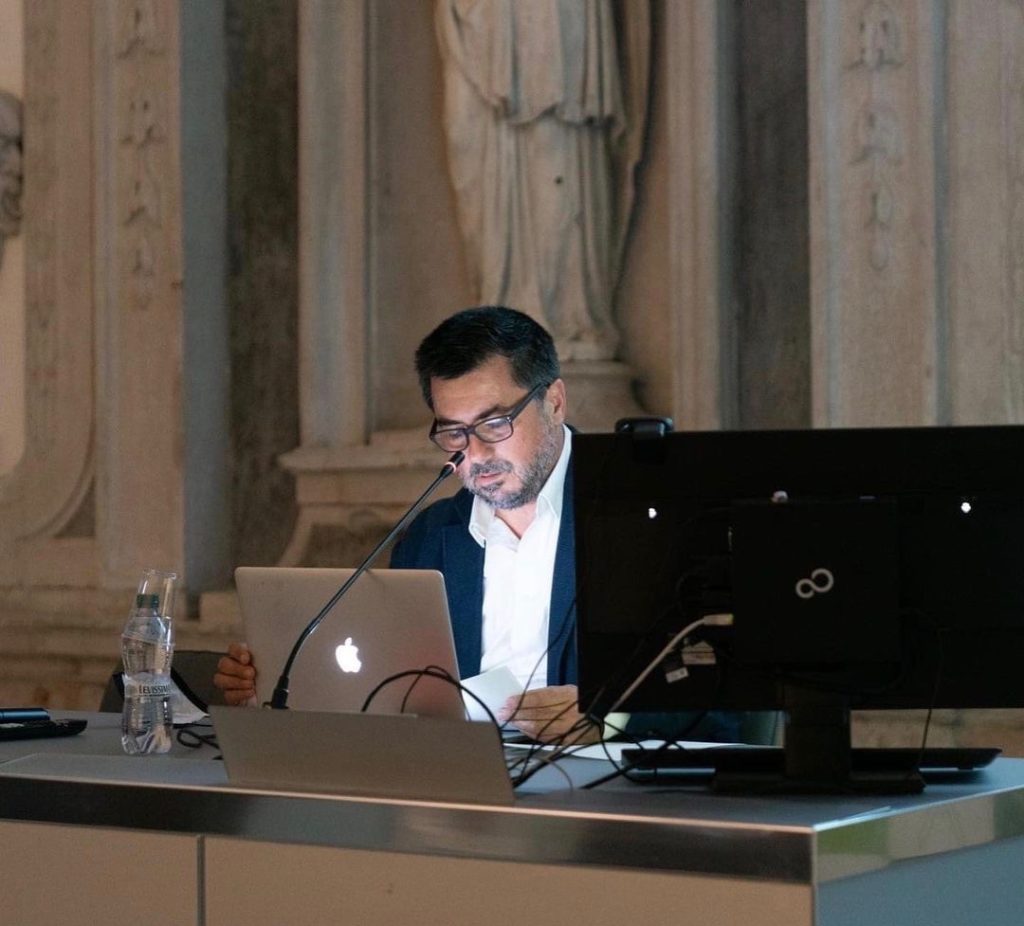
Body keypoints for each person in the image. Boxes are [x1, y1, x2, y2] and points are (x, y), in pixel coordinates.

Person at [216, 305, 740, 744]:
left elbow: (732, 695)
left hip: (608, 796)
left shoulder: (653, 516)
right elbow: (390, 694)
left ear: (554, 401)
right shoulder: (427, 536)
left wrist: (611, 715)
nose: (476, 453)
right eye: (453, 433)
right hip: (459, 783)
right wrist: (279, 685)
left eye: (494, 423)